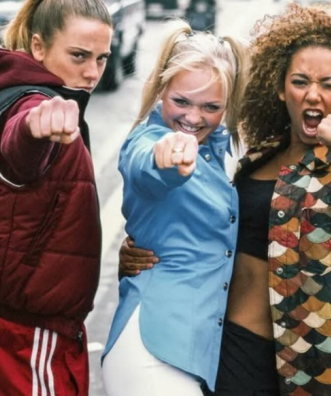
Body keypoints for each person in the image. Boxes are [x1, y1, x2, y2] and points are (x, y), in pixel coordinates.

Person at [121, 1, 331, 396]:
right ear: (280, 89)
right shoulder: (255, 157)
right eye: (300, 82)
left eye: (330, 84)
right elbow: (203, 226)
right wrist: (144, 249)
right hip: (231, 351)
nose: (313, 95)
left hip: (319, 365)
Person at [0, 0, 112, 393]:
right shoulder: (30, 106)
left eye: (101, 58)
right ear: (38, 46)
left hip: (22, 330)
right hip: (30, 339)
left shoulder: (17, 93)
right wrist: (36, 128)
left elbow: (0, 214)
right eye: (79, 56)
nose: (92, 72)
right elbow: (18, 147)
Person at [101, 21, 248, 395]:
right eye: (181, 101)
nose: (193, 118)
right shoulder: (149, 140)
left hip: (189, 354)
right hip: (153, 351)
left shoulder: (223, 150)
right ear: (161, 90)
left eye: (211, 107)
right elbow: (147, 165)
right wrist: (166, 158)